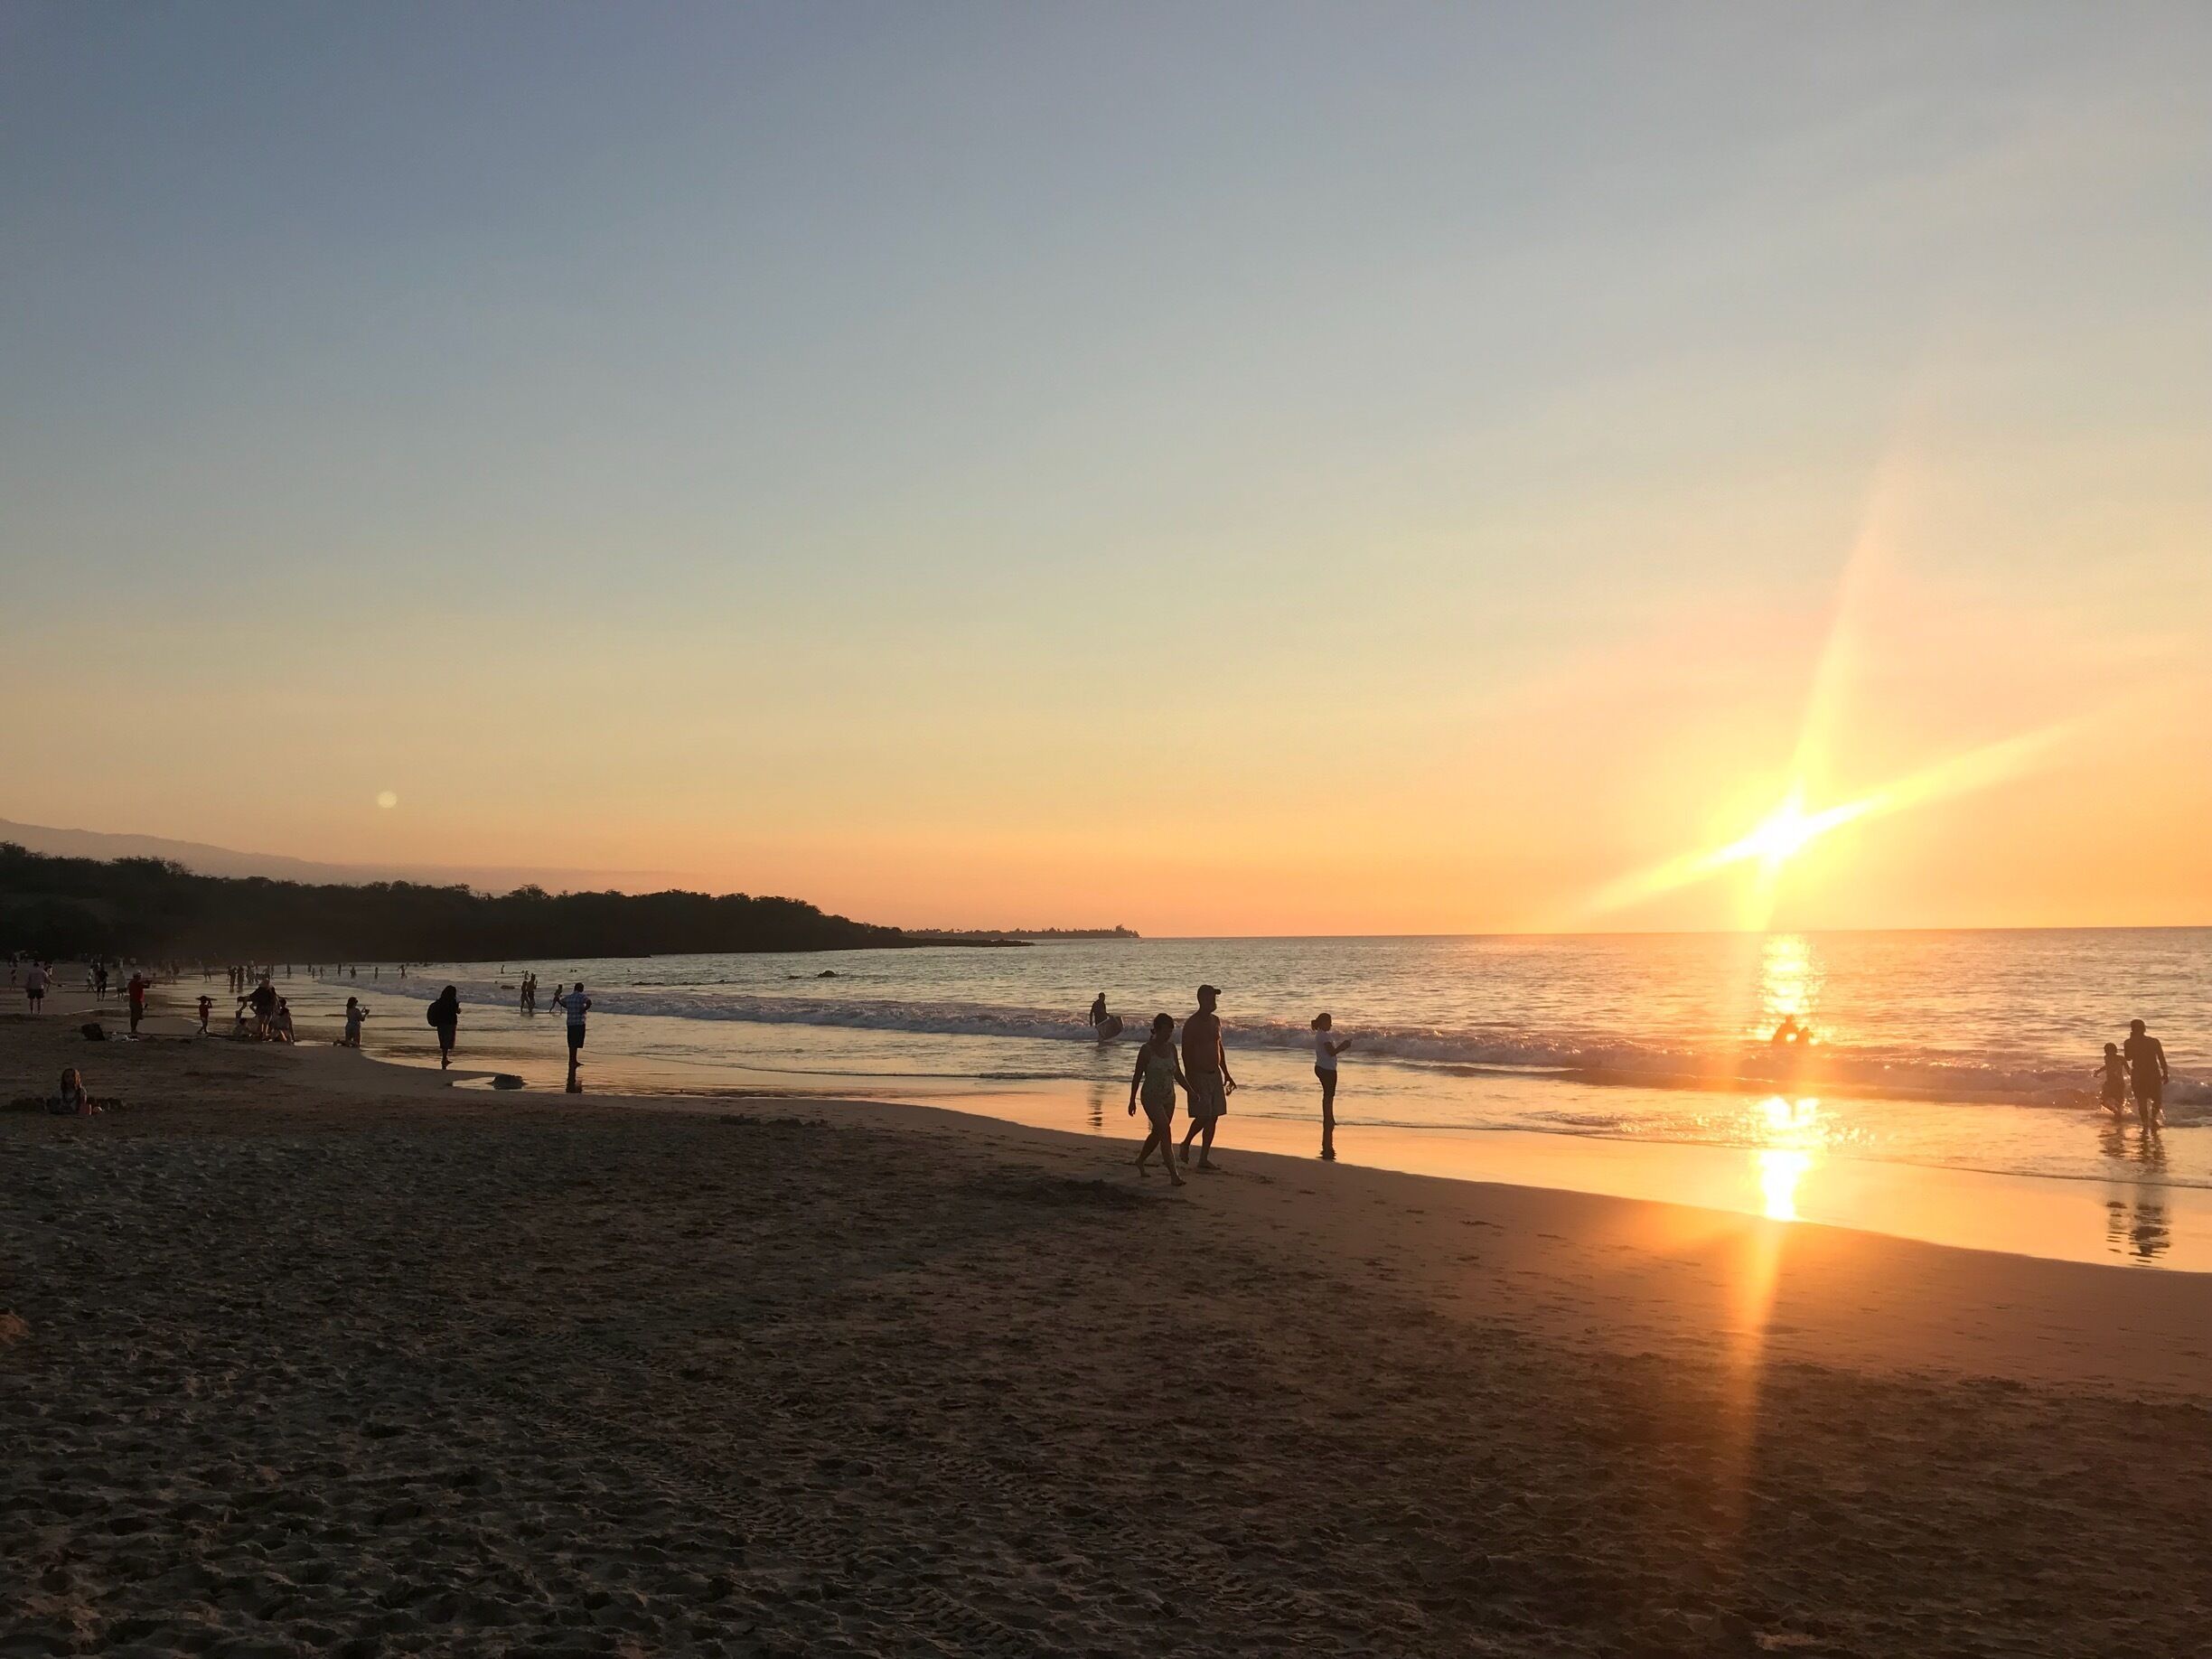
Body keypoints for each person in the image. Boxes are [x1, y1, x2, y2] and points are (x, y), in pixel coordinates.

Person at [1177, 985, 1236, 1171]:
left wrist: (1226, 1073)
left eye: (1215, 997)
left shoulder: (1216, 1021)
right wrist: (1190, 1081)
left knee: (1214, 1116)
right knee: (1204, 1115)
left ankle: (1204, 1157)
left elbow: (1219, 1048)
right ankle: (1186, 1142)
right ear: (1202, 999)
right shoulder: (1192, 1024)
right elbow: (1186, 1053)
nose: (1214, 1001)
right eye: (1211, 997)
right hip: (1198, 1075)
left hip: (1215, 1075)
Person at [1126, 1012, 1187, 1186]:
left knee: (1158, 1133)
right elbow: (1137, 1076)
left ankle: (1140, 1160)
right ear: (1157, 1030)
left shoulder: (1172, 1049)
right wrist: (1132, 1100)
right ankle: (1174, 1175)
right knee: (1165, 1130)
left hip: (1169, 1097)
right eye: (1166, 1031)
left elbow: (1178, 1074)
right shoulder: (1146, 1050)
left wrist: (1191, 1091)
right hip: (1150, 1097)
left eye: (1171, 1031)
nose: (1169, 1035)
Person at [1312, 1012, 1354, 1161]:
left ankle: (1329, 1117)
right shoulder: (1323, 1036)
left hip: (1322, 1067)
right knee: (1329, 1095)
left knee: (1328, 1094)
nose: (1331, 1024)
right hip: (1326, 1068)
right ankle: (1328, 1118)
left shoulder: (1321, 1034)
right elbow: (1331, 1052)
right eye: (1329, 1022)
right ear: (1323, 1022)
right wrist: (1343, 1046)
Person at [2123, 1019, 2170, 1129]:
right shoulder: (2152, 1041)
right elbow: (2161, 1058)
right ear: (2144, 1028)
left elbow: (2128, 1057)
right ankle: (2150, 1119)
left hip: (2142, 1073)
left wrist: (2165, 1072)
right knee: (2154, 1099)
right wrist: (2165, 1072)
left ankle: (2148, 1121)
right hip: (2149, 1072)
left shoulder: (2130, 1042)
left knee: (2144, 1099)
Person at [553, 980, 590, 1091]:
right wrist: (583, 1009)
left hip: (570, 1023)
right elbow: (589, 1002)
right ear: (581, 988)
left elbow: (564, 1004)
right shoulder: (582, 997)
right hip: (579, 1022)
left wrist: (558, 1000)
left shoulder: (569, 997)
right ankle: (574, 1060)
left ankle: (572, 1060)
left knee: (571, 1043)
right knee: (577, 1042)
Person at [428, 985, 460, 1068]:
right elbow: (456, 1011)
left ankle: (444, 1058)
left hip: (441, 1023)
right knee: (448, 1040)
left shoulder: (440, 1001)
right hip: (450, 1022)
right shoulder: (452, 1001)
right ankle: (444, 1058)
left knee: (443, 1041)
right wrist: (458, 1008)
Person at [126, 970, 149, 1036]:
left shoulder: (131, 983)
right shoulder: (138, 983)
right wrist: (148, 983)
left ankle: (133, 1029)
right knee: (137, 1016)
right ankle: (134, 1029)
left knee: (133, 1016)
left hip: (132, 1001)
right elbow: (147, 986)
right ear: (138, 976)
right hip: (137, 1001)